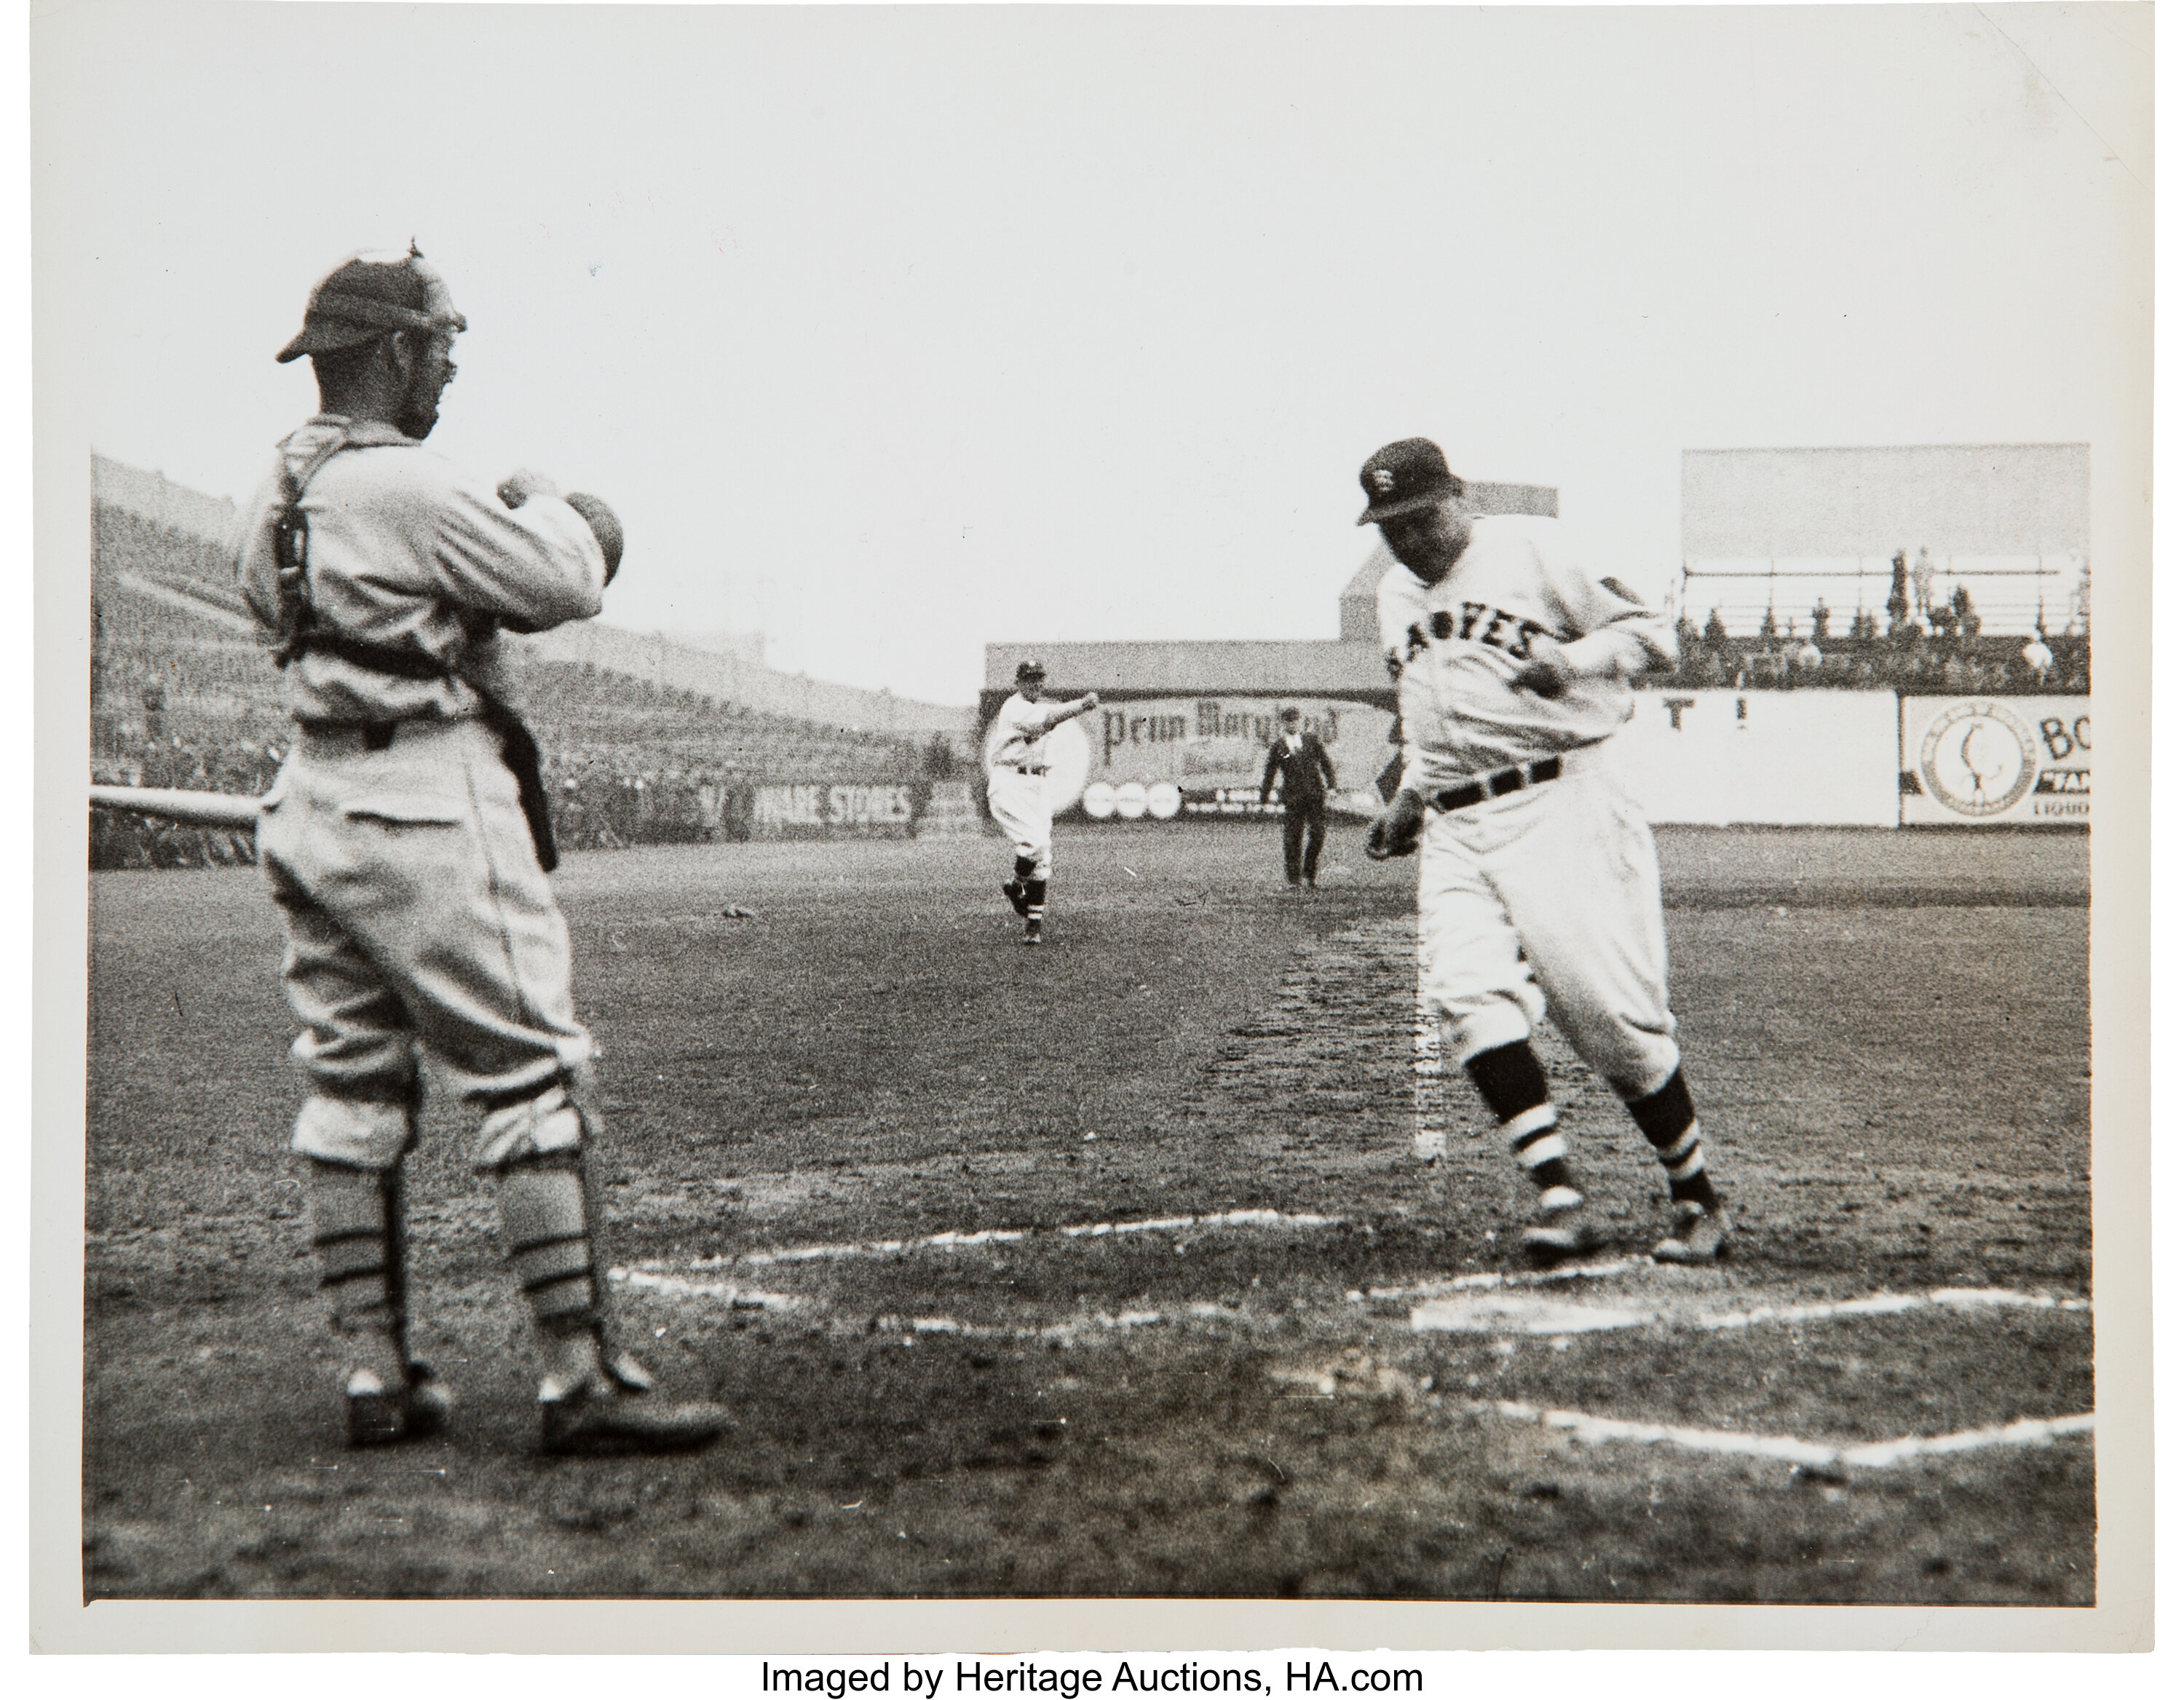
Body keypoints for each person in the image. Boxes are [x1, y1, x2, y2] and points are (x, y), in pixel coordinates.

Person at [233, 245, 727, 1454]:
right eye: (444, 343)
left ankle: (373, 1372)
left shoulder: (275, 490)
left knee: (349, 1083)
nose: (449, 367)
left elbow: (270, 607)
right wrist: (549, 497)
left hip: (309, 798)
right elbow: (566, 580)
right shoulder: (404, 483)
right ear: (398, 349)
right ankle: (576, 1379)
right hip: (425, 801)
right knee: (528, 1072)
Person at [1355, 438, 1732, 1266]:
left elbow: (1654, 633)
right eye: (1390, 527)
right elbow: (1432, 710)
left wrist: (1575, 659)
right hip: (1456, 823)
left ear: (1457, 497)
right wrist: (1410, 797)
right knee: (1465, 995)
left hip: (1565, 799)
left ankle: (1697, 1197)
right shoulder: (1394, 594)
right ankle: (1560, 1196)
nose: (1409, 541)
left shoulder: (1534, 549)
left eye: (1419, 519)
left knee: (1611, 1022)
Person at [986, 660, 1099, 945]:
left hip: (1036, 784)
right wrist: (1081, 705)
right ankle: (1016, 886)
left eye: (1038, 679)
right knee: (1034, 844)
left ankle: (1033, 925)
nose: (1035, 684)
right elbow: (1047, 718)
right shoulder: (1015, 707)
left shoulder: (1035, 706)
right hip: (1010, 782)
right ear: (1018, 683)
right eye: (1028, 679)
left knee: (1043, 854)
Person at [1258, 706, 1338, 890]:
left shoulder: (1311, 741)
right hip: (1293, 798)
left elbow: (1326, 763)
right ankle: (1294, 880)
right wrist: (1263, 798)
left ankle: (1309, 875)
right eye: (1289, 721)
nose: (1293, 724)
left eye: (1295, 720)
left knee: (1318, 834)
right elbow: (1269, 773)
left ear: (1300, 721)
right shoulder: (1278, 746)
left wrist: (1332, 785)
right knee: (1293, 837)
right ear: (1283, 723)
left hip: (1315, 796)